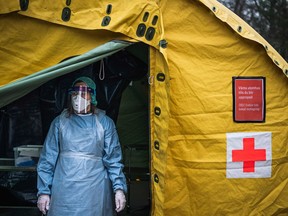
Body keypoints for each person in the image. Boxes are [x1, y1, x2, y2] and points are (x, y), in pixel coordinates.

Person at [36, 76, 127, 216]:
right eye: (74, 93)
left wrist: (119, 189)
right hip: (64, 191)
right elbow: (48, 158)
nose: (78, 97)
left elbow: (113, 160)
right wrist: (43, 192)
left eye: (83, 93)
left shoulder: (105, 123)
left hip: (94, 190)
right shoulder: (60, 122)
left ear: (92, 96)